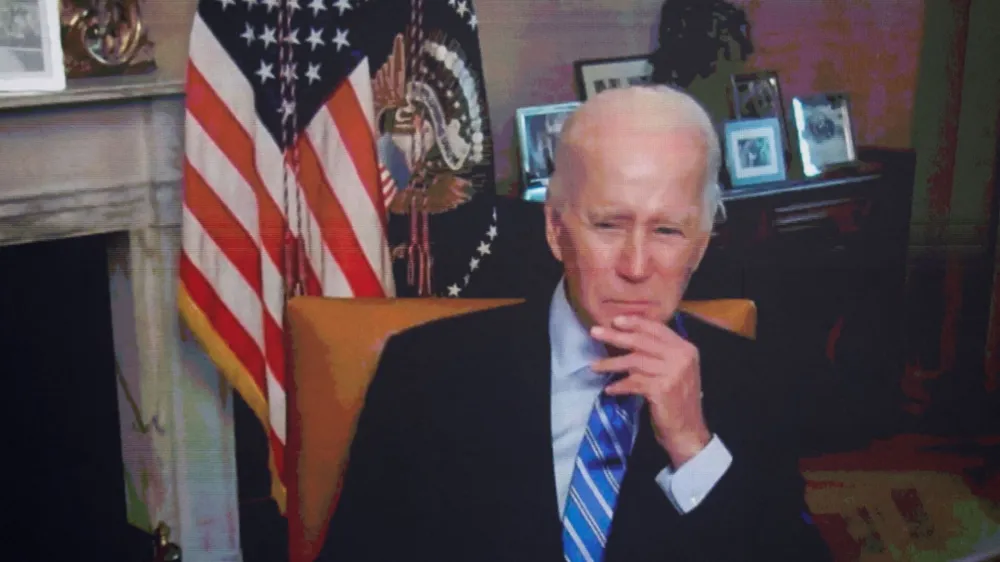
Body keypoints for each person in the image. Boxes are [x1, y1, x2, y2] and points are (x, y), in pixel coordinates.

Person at [317, 85, 833, 562]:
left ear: (699, 245)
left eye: (668, 230)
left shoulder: (756, 382)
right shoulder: (424, 369)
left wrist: (693, 448)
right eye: (609, 225)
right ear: (555, 228)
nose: (635, 266)